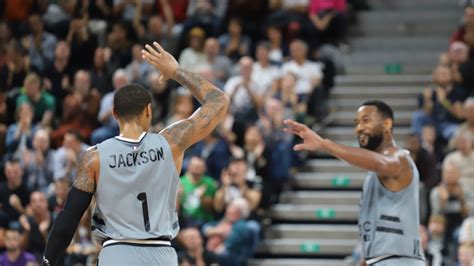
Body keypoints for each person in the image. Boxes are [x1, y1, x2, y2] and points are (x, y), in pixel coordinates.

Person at [41, 41, 229, 266]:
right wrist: (175, 72)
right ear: (149, 111)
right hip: (161, 254)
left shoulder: (94, 157)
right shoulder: (171, 142)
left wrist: (47, 261)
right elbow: (219, 101)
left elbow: (68, 218)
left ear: (114, 114)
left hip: (115, 254)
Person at [284, 100, 425, 265]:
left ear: (387, 124)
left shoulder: (399, 157)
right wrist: (367, 260)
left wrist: (324, 145)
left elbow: (382, 163)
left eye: (366, 120)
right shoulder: (374, 174)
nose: (359, 128)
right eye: (356, 123)